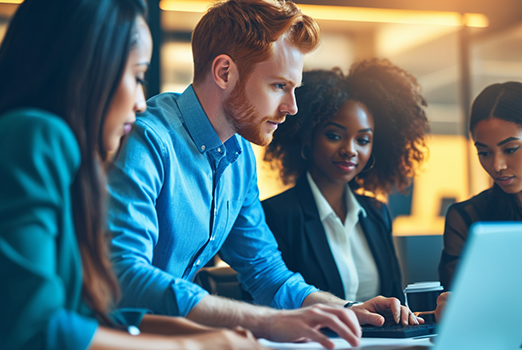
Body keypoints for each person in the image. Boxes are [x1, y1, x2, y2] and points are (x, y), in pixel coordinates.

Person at [107, 0, 420, 348]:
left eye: (294, 89)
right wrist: (268, 321)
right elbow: (125, 274)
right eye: (278, 86)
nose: (292, 108)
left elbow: (266, 272)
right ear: (224, 72)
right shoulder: (149, 140)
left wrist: (345, 310)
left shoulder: (240, 159)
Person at [0, 0, 267, 349]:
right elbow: (36, 328)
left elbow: (86, 315)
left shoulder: (60, 152)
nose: (142, 101)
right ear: (89, 68)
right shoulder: (37, 135)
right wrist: (191, 346)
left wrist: (200, 333)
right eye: (138, 76)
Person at [261, 60, 429, 307]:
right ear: (308, 137)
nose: (350, 150)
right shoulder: (276, 215)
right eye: (334, 136)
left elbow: (394, 299)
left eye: (363, 140)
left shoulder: (376, 212)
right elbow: (272, 299)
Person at [437, 81, 522, 324]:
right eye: (484, 153)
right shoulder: (467, 217)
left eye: (510, 149)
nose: (497, 166)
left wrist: (494, 308)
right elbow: (458, 306)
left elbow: (475, 308)